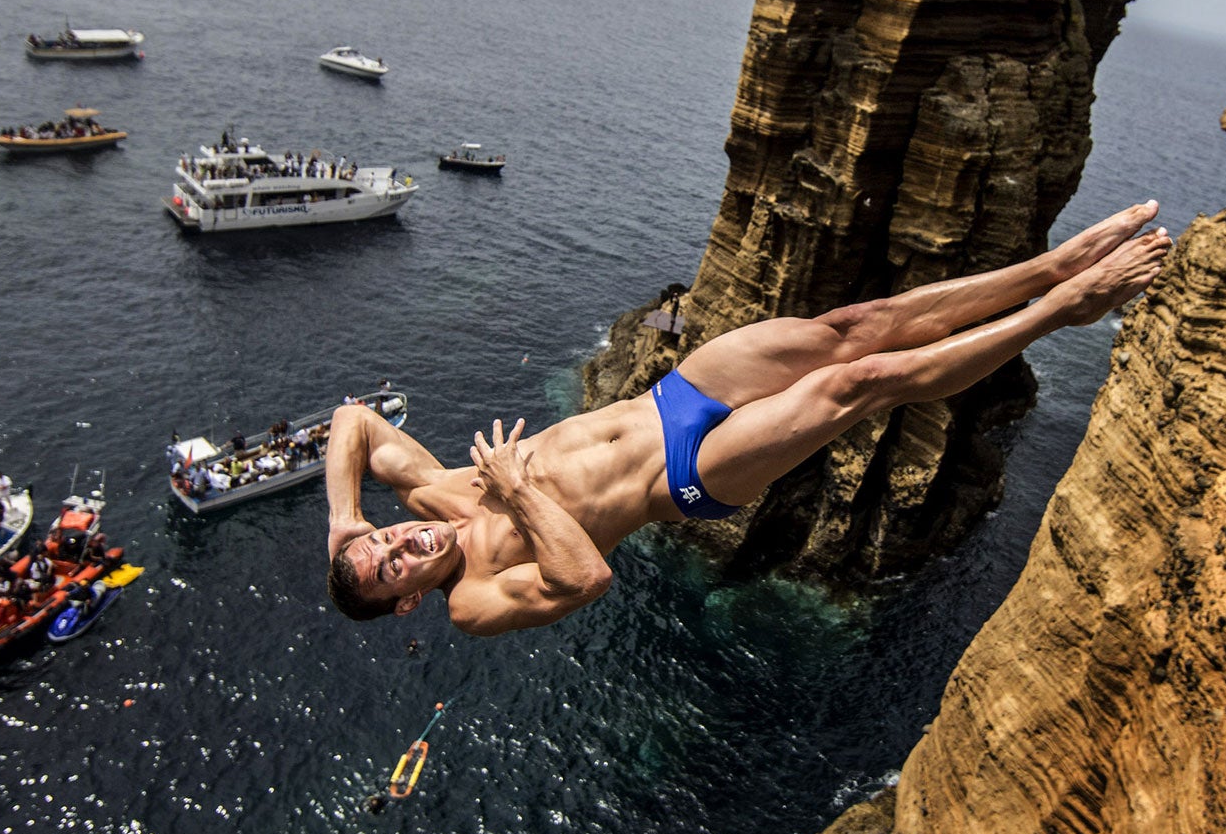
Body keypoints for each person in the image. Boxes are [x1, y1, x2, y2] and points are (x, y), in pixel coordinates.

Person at [324, 203, 1171, 637]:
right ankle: (1065, 307)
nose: (402, 549)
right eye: (393, 570)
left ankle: (1048, 265)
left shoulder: (431, 492)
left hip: (669, 398)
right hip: (688, 474)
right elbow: (586, 581)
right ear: (407, 605)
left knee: (856, 327)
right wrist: (516, 488)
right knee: (863, 383)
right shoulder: (472, 599)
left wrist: (344, 521)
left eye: (384, 542)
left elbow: (353, 421)